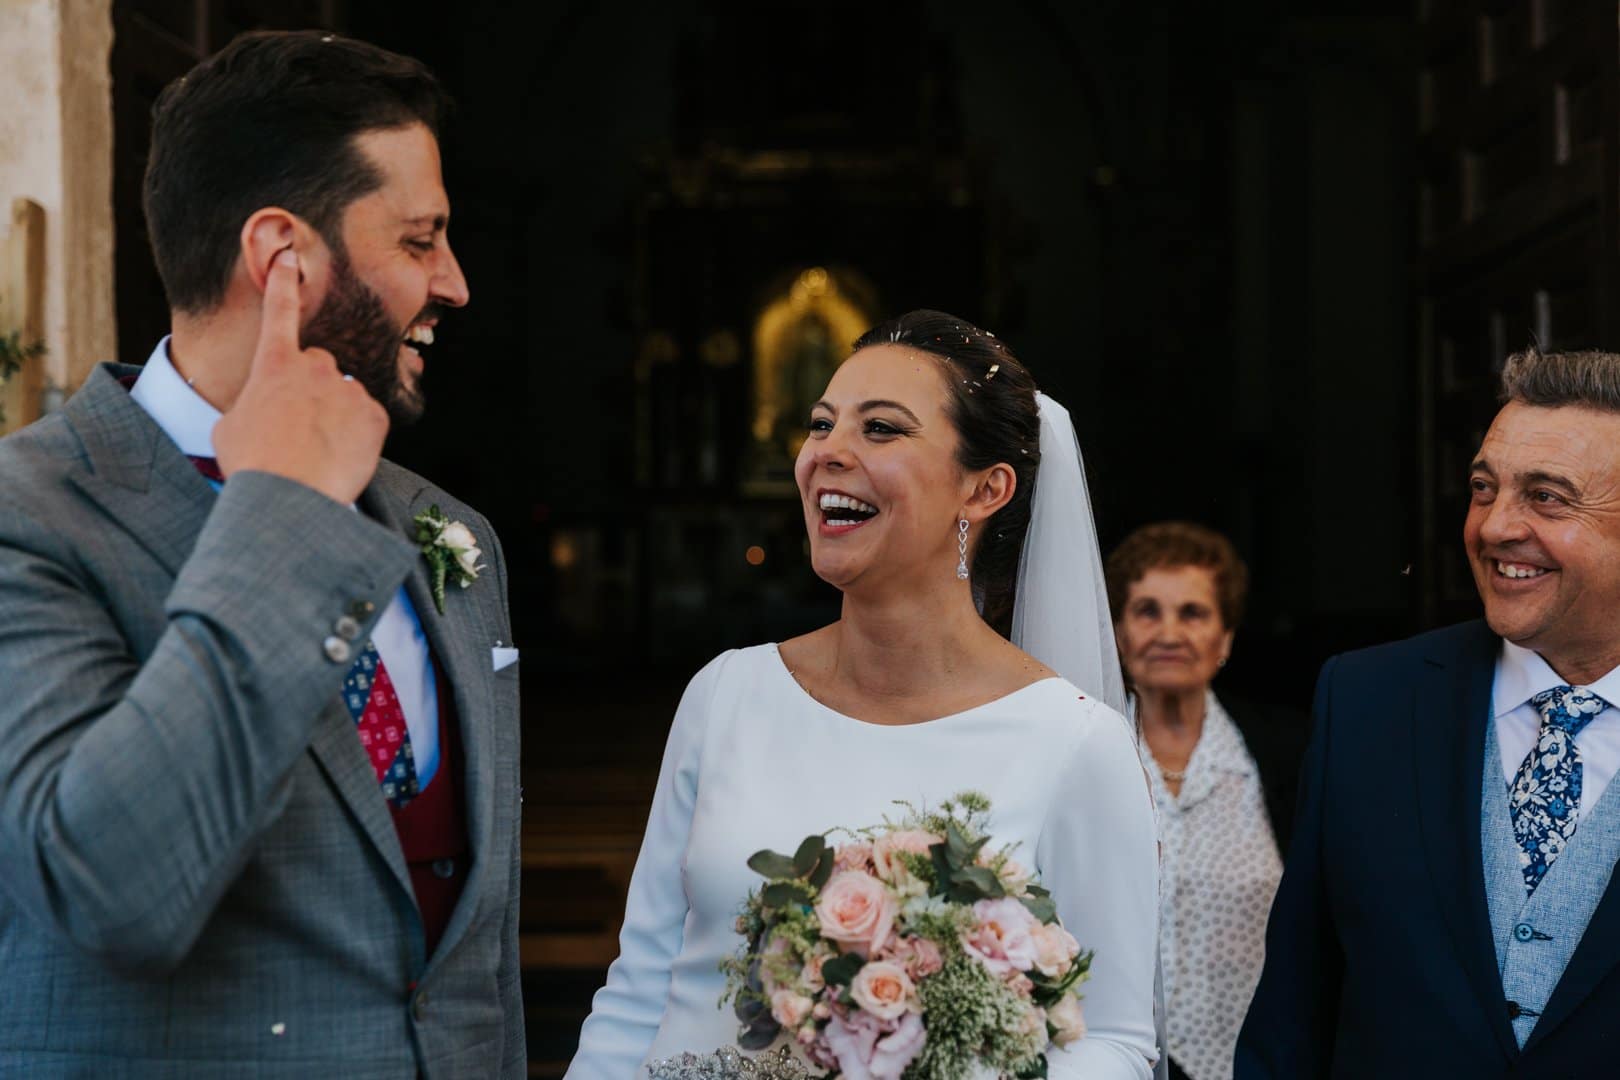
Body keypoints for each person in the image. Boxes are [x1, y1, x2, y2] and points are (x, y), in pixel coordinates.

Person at [0, 31, 523, 1077]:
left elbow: (474, 960)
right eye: (420, 241)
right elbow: (112, 890)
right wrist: (282, 508)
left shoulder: (451, 530)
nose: (455, 284)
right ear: (283, 255)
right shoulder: (30, 515)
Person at [565, 310, 1160, 1079]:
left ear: (985, 488)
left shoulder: (1075, 741)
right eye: (820, 425)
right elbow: (640, 985)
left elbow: (1113, 1038)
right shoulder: (726, 695)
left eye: (880, 430)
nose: (826, 455)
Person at [1236, 346, 1620, 1076]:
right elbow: (1293, 1011)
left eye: (1546, 496)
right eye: (1484, 488)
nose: (1494, 527)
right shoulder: (1367, 701)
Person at [1105, 523, 1305, 1080]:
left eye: (1192, 613)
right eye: (1147, 611)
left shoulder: (1288, 754)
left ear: (1225, 639)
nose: (1169, 632)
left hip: (1255, 1066)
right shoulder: (1088, 753)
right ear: (1119, 632)